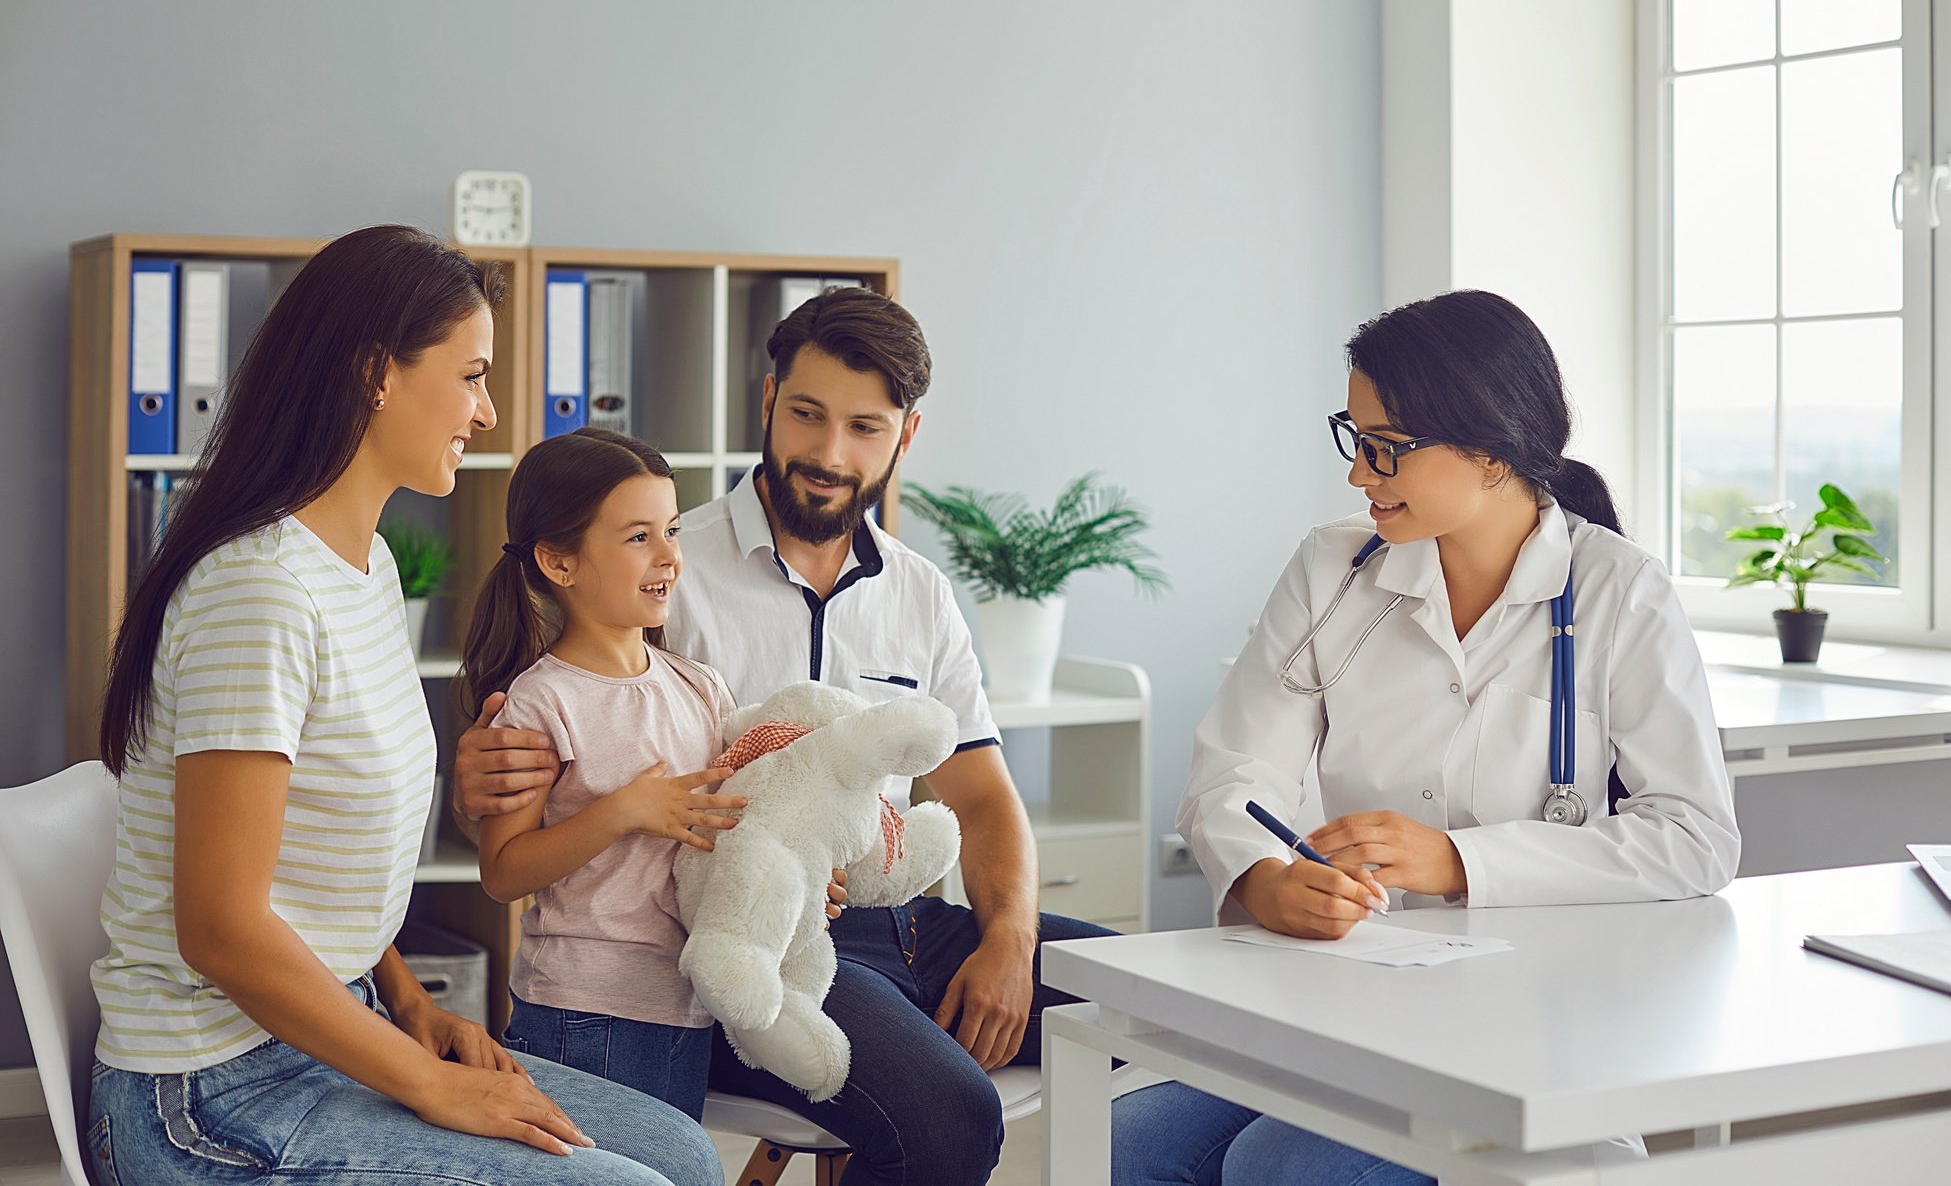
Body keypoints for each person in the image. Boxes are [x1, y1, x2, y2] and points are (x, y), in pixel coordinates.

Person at [87, 226, 719, 1186]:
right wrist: (429, 1086)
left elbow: (310, 861)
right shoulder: (257, 591)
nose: (487, 407)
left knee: (682, 1155)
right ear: (377, 371)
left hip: (335, 1028)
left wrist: (406, 1001)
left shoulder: (366, 566)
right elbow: (219, 926)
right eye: (470, 375)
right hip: (206, 1091)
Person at [453, 286, 1116, 1185]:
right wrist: (482, 776)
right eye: (806, 415)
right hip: (764, 930)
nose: (829, 453)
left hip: (906, 915)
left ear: (904, 437)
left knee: (1167, 1002)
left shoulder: (918, 590)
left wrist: (1009, 939)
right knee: (949, 1116)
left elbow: (981, 792)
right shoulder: (658, 567)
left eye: (865, 428)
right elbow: (544, 745)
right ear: (767, 402)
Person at [1112, 290, 1740, 1186]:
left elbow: (1694, 836)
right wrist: (1263, 877)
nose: (1358, 474)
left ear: (1488, 452)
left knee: (1279, 1168)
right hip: (1345, 996)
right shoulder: (1334, 568)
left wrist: (1458, 861)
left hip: (1531, 1018)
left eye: (1385, 448)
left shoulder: (1619, 592)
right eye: (1353, 436)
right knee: (1121, 1144)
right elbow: (1235, 770)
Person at [457, 427, 755, 1123]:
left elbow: (736, 817)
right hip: (582, 1013)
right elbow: (503, 871)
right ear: (559, 561)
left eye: (672, 530)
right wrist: (622, 810)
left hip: (682, 1002)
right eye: (637, 536)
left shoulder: (700, 686)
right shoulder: (540, 701)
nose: (669, 556)